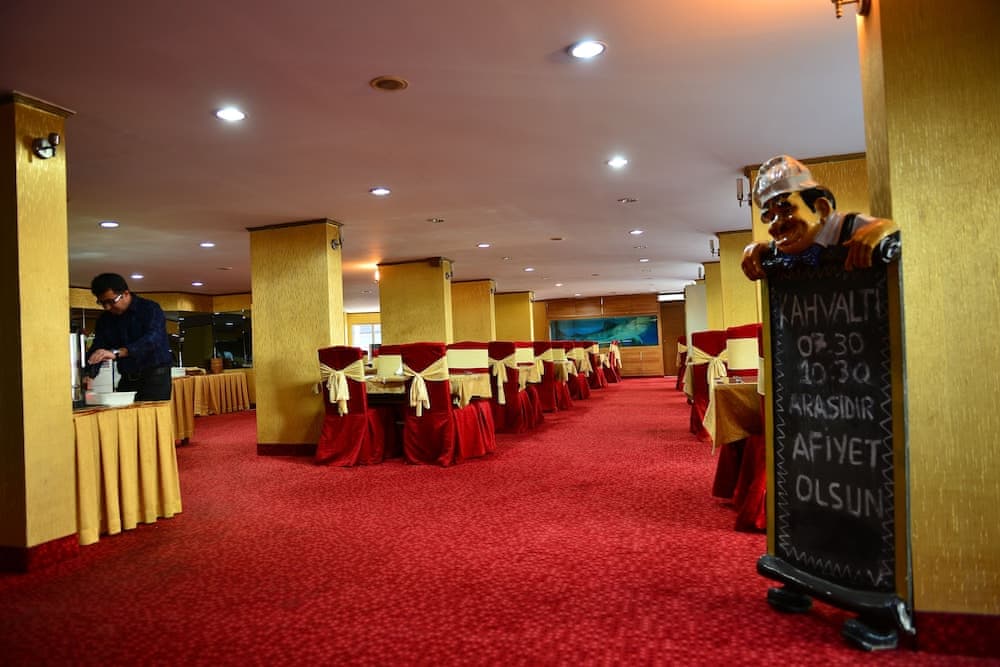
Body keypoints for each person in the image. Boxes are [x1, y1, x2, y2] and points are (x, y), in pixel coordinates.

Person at [741, 155, 899, 281]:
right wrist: (756, 249)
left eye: (785, 210)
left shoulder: (849, 226)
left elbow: (899, 239)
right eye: (771, 217)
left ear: (821, 209)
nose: (776, 226)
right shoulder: (784, 246)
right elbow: (774, 246)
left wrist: (882, 229)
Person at [85, 273, 174, 400]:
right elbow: (99, 347)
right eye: (102, 302)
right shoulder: (105, 319)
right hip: (127, 378)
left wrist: (119, 352)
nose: (107, 307)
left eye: (111, 301)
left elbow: (153, 339)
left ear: (126, 293)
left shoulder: (149, 309)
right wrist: (89, 374)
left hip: (155, 378)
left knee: (152, 412)